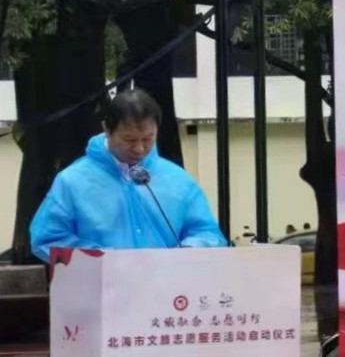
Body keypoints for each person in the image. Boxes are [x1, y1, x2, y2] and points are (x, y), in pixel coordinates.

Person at [30, 88, 226, 257]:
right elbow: (47, 239)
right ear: (107, 129)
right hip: (100, 285)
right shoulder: (72, 181)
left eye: (148, 139)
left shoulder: (177, 179)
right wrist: (101, 258)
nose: (139, 148)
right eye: (129, 140)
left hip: (165, 284)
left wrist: (189, 250)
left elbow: (208, 233)